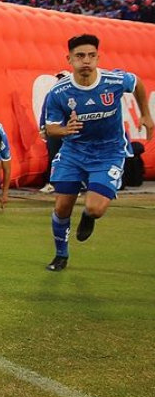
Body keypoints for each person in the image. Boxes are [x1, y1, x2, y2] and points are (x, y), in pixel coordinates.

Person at [42, 34, 153, 272]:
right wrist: (64, 130)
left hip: (109, 152)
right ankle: (61, 254)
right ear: (69, 59)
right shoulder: (59, 92)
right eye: (80, 56)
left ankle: (88, 217)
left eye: (91, 55)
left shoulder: (113, 80)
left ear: (97, 57)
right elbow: (49, 128)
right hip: (73, 152)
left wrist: (145, 114)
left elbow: (137, 83)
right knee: (62, 207)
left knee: (95, 208)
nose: (86, 61)